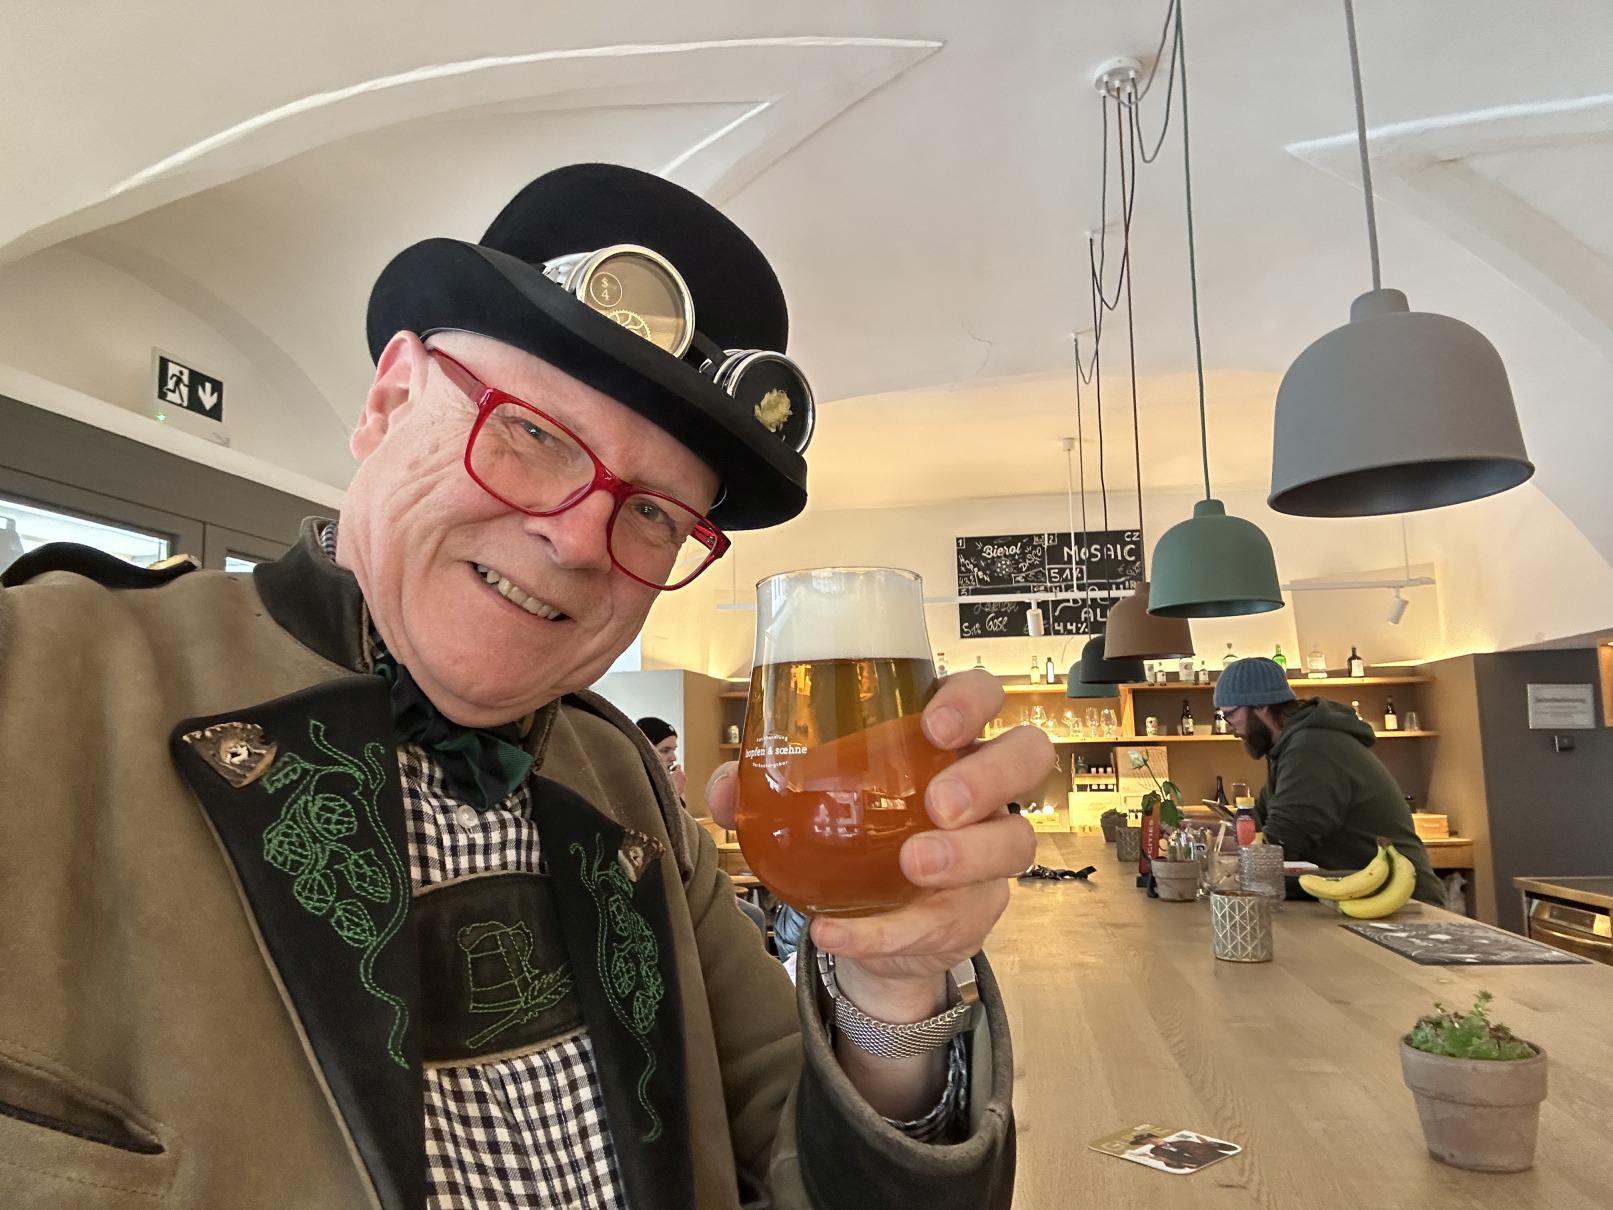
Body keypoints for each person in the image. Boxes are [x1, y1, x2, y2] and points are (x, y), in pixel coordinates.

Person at [0, 163, 1046, 1209]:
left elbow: (791, 1152)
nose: (579, 539)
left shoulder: (630, 790)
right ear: (389, 401)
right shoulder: (35, 678)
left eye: (653, 513)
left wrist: (888, 989)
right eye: (534, 434)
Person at [1215, 657, 1443, 905]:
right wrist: (1200, 832)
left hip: (1401, 903)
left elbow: (1279, 844)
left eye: (1230, 715)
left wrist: (1212, 853)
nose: (1229, 727)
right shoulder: (1289, 747)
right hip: (1356, 896)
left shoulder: (1312, 747)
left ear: (1261, 706)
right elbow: (1256, 823)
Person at [634, 715, 687, 798]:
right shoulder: (633, 786)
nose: (674, 758)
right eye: (665, 750)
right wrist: (674, 791)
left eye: (674, 750)